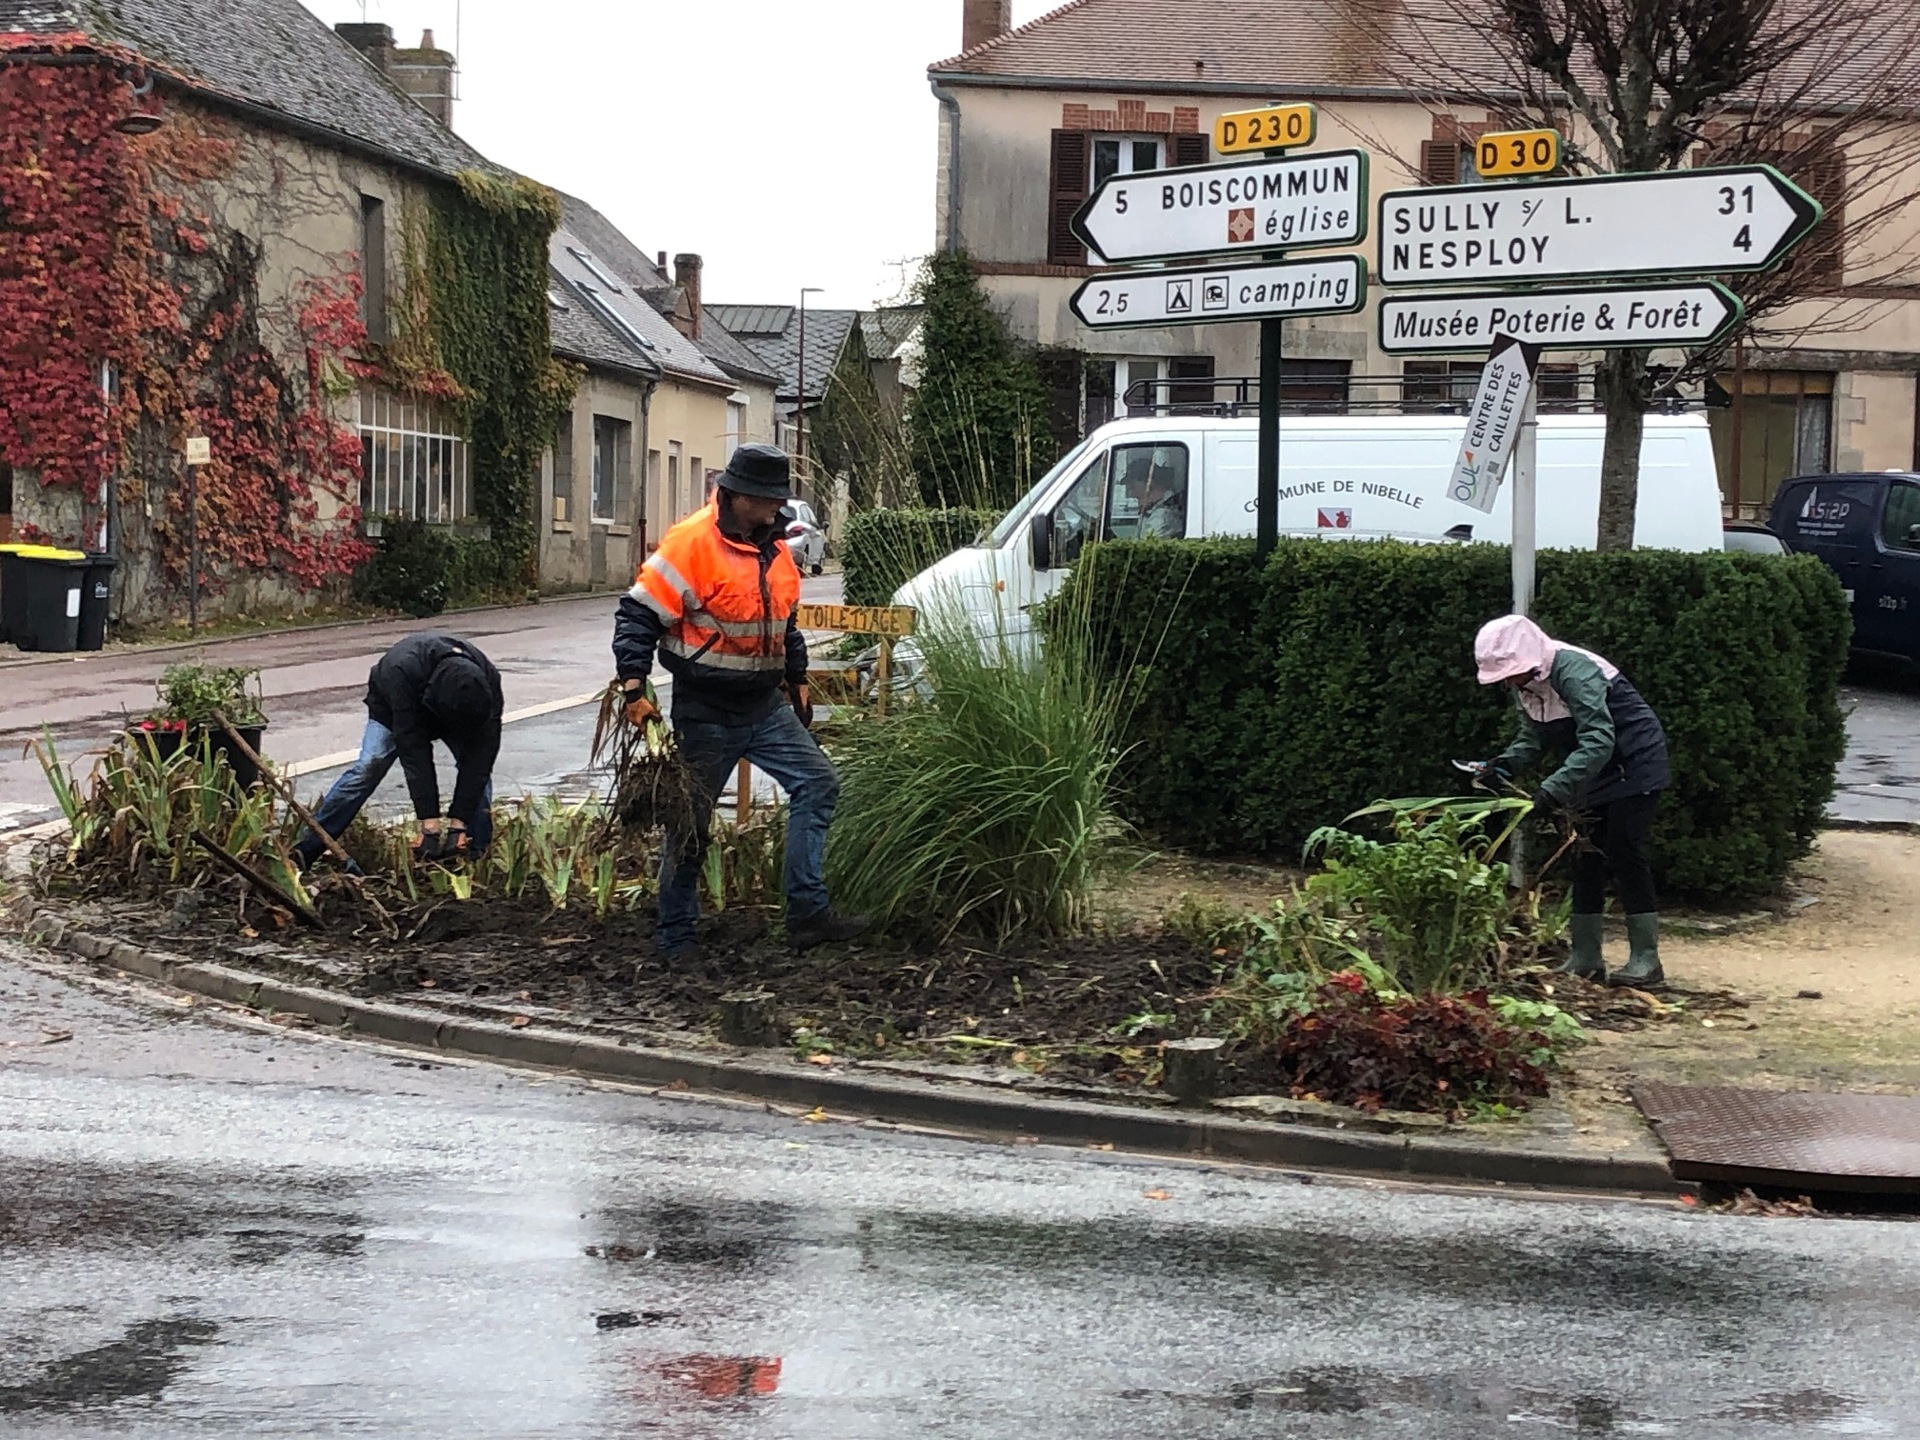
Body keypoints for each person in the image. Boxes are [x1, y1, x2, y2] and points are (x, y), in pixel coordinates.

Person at [612, 443, 869, 961]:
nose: (779, 508)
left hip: (764, 705)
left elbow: (785, 619)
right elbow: (637, 617)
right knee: (690, 823)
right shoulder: (690, 544)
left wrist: (797, 678)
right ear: (738, 495)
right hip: (704, 710)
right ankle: (677, 937)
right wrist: (633, 688)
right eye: (770, 499)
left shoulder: (775, 547)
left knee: (818, 785)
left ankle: (806, 914)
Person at [1467, 614, 1670, 988]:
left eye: (1510, 675)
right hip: (1591, 769)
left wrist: (1552, 790)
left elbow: (1598, 739)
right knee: (1585, 856)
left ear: (1528, 660)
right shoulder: (1525, 682)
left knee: (1624, 851)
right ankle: (1586, 958)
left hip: (1633, 761)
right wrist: (1504, 766)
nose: (1508, 683)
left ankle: (1646, 959)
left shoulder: (1573, 672)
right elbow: (1533, 737)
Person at [295, 633, 502, 867]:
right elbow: (414, 750)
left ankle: (475, 853)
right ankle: (304, 851)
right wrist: (429, 822)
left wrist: (459, 821)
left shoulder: (487, 681)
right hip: (393, 708)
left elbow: (481, 759)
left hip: (457, 709)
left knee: (478, 777)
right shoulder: (401, 670)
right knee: (369, 766)